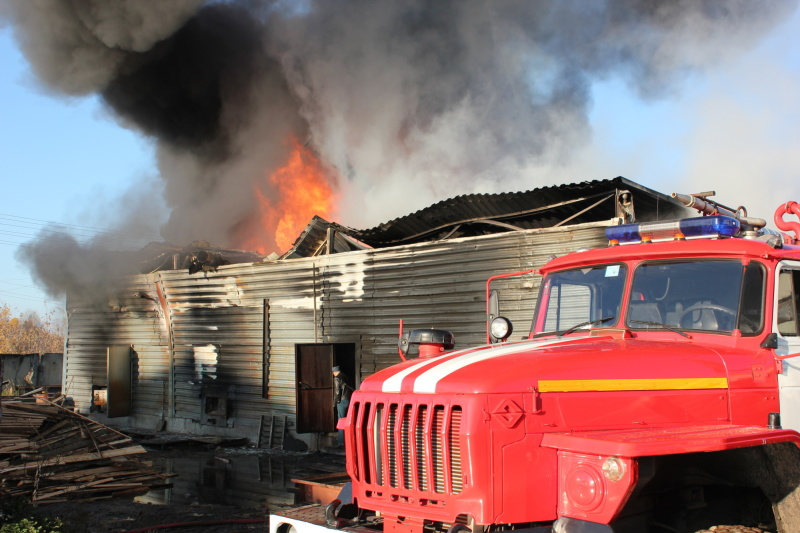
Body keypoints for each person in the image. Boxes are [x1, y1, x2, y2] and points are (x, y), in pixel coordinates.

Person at [332, 366, 353, 446]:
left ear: (335, 372)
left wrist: (336, 402)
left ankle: (341, 442)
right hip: (348, 399)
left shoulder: (337, 378)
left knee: (341, 420)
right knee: (347, 420)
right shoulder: (346, 377)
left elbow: (337, 391)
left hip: (342, 400)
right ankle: (349, 440)